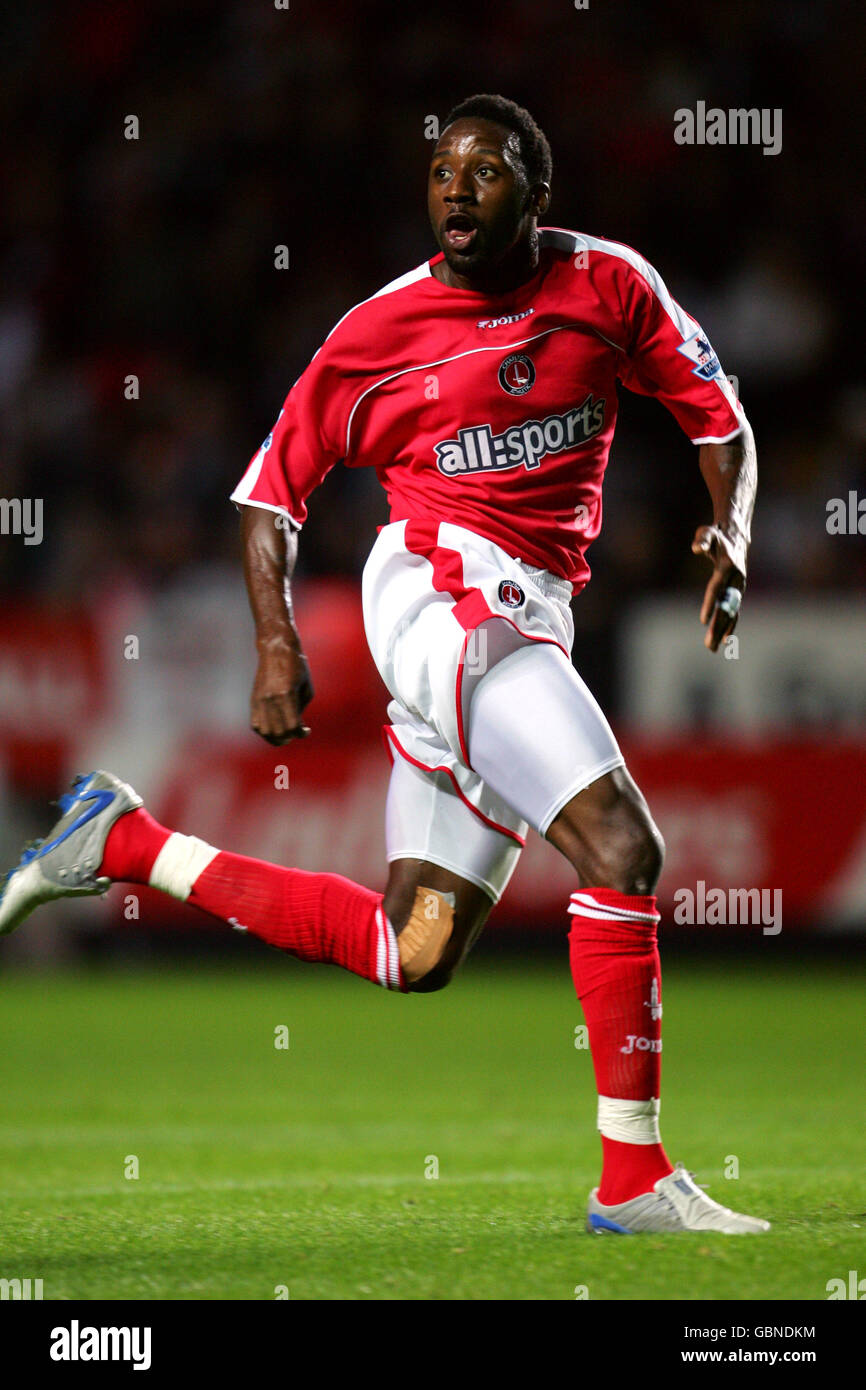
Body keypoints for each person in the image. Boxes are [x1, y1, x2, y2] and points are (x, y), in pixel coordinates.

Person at [0, 95, 766, 1234]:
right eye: (440, 170)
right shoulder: (378, 330)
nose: (456, 188)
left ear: (535, 193)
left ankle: (121, 842)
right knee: (623, 845)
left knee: (412, 951)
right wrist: (275, 644)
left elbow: (719, 424)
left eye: (486, 170)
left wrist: (732, 534)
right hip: (436, 584)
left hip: (527, 606)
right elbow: (269, 495)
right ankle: (634, 1181)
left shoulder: (608, 286)